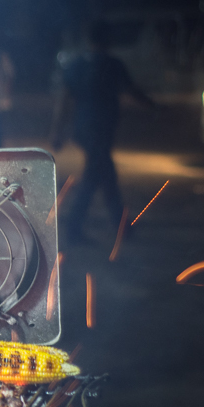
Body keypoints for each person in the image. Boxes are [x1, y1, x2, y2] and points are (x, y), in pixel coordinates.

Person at [51, 19, 157, 242]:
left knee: (106, 177)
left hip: (83, 128)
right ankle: (77, 227)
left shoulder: (76, 64)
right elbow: (133, 91)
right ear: (108, 40)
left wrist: (57, 131)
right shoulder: (112, 64)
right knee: (95, 178)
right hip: (101, 129)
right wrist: (154, 106)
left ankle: (120, 227)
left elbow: (64, 101)